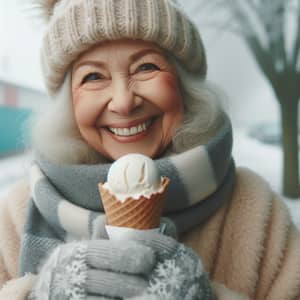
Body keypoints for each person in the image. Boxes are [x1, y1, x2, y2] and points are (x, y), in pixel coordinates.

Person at [1, 0, 300, 299]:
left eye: (146, 67)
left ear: (184, 86)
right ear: (67, 105)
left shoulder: (255, 208)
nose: (123, 102)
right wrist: (35, 293)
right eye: (93, 76)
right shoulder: (15, 213)